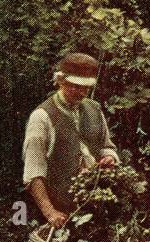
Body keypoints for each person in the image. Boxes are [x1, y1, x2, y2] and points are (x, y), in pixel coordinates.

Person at [23, 52, 119, 229]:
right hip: (61, 213)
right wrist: (50, 212)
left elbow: (107, 146)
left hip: (96, 203)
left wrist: (110, 158)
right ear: (60, 81)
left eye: (86, 88)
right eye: (76, 87)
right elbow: (33, 173)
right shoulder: (42, 117)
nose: (82, 93)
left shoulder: (94, 109)